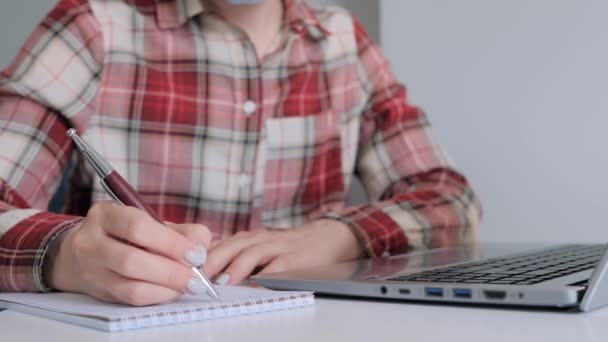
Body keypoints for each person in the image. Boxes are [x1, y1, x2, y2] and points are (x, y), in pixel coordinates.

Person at [0, 0, 481, 306]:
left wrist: (339, 238)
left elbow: (450, 200)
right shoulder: (93, 26)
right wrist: (64, 254)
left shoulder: (341, 42)